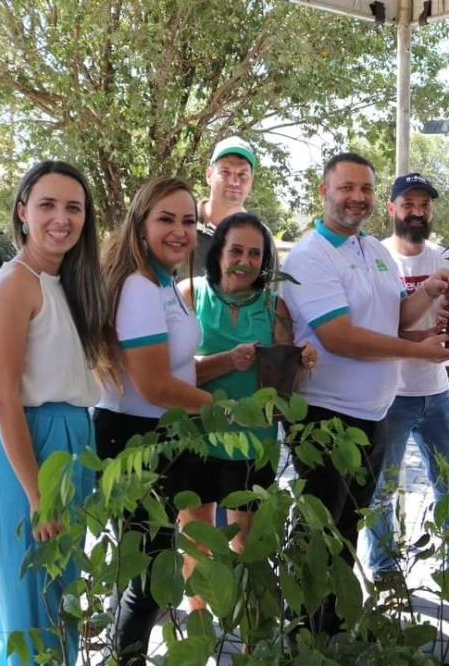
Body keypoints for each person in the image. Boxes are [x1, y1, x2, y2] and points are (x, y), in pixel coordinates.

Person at [280, 152, 449, 635]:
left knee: (345, 529)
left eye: (365, 189)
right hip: (325, 418)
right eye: (346, 188)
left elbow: (396, 317)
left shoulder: (374, 251)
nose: (356, 197)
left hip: (372, 416)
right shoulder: (309, 258)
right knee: (317, 533)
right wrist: (419, 354)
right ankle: (300, 632)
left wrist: (429, 296)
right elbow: (340, 337)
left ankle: (332, 631)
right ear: (324, 192)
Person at [0, 161, 114, 665]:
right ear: (22, 212)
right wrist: (39, 495)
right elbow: (5, 399)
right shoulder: (14, 285)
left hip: (71, 439)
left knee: (59, 601)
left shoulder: (69, 282)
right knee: (30, 614)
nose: (62, 218)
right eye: (48, 205)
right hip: (30, 448)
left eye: (73, 207)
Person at [93, 176, 214, 664]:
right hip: (138, 440)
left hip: (160, 435)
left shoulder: (162, 282)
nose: (180, 231)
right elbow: (155, 385)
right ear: (140, 225)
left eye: (188, 220)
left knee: (149, 573)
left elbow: (174, 369)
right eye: (166, 219)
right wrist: (224, 410)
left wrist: (229, 362)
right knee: (148, 583)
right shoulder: (139, 287)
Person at [175, 211, 317, 610]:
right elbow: (168, 376)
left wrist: (301, 363)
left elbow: (283, 392)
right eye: (236, 249)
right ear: (218, 251)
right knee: (198, 541)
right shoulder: (190, 294)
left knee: (247, 544)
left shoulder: (275, 308)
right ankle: (199, 624)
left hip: (253, 442)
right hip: (196, 436)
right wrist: (225, 361)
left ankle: (246, 627)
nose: (245, 260)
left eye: (256, 254)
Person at [363, 173, 449, 587]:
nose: (417, 211)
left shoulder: (447, 259)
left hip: (438, 390)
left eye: (424, 204)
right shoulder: (378, 258)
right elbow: (376, 329)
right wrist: (419, 338)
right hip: (392, 393)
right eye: (408, 203)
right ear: (391, 209)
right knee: (383, 489)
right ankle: (385, 569)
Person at [193, 136, 257, 275]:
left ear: (251, 181)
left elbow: (269, 294)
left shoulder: (260, 238)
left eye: (242, 174)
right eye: (225, 172)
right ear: (209, 175)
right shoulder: (182, 226)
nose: (234, 181)